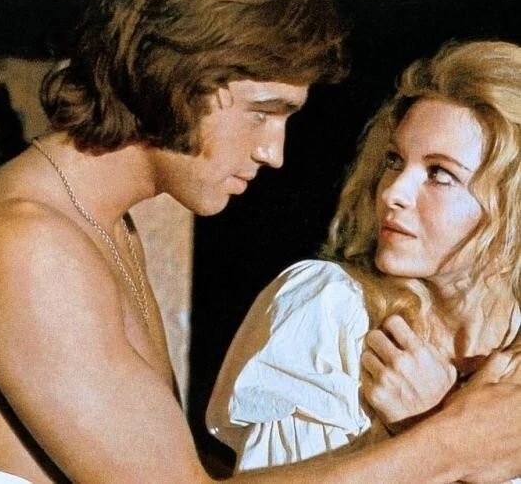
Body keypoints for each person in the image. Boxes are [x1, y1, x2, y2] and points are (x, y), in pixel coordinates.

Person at [0, 0, 521, 481]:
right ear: (180, 77)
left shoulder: (101, 226)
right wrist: (448, 443)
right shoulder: (24, 244)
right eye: (264, 112)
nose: (273, 152)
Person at [207, 39, 521, 478]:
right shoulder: (331, 311)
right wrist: (440, 439)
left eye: (439, 173)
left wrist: (432, 421)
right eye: (394, 160)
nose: (393, 192)